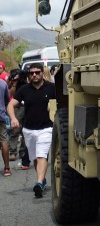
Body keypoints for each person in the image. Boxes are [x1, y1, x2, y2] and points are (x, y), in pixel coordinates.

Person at [8, 62, 56, 197]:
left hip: (46, 128)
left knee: (42, 155)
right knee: (35, 158)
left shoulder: (52, 88)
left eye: (37, 72)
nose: (34, 75)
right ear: (28, 75)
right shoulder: (24, 89)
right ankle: (41, 179)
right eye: (31, 73)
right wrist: (13, 118)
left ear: (42, 73)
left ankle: (39, 182)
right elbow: (11, 105)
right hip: (28, 130)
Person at [8, 68, 31, 169]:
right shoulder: (13, 83)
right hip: (18, 107)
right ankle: (12, 152)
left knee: (25, 131)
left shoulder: (28, 82)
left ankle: (22, 151)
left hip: (27, 107)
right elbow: (12, 94)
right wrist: (14, 82)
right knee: (15, 130)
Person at [1, 75, 10, 176]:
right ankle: (7, 168)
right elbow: (7, 99)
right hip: (1, 116)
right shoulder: (3, 83)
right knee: (3, 140)